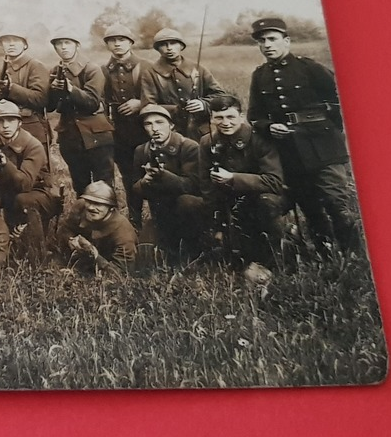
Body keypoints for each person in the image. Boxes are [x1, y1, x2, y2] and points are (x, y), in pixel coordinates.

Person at [246, 16, 360, 257]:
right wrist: (269, 127)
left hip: (323, 148)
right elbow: (255, 116)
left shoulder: (310, 68)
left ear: (286, 41)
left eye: (273, 39)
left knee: (336, 203)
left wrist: (331, 133)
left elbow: (342, 100)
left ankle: (353, 255)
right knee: (311, 207)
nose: (267, 45)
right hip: (289, 153)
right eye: (262, 41)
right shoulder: (260, 76)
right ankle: (324, 254)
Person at [198, 94, 287, 273]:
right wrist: (216, 224)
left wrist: (233, 178)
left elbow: (275, 181)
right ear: (212, 118)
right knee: (231, 256)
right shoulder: (207, 142)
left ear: (241, 116)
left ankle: (277, 257)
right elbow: (206, 185)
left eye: (231, 117)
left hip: (266, 196)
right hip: (230, 200)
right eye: (219, 118)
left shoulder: (259, 139)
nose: (225, 122)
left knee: (266, 204)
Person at [0, 101, 60, 263]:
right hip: (8, 190)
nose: (6, 125)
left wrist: (5, 164)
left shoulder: (32, 145)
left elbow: (25, 184)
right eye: (0, 121)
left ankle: (35, 255)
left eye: (11, 120)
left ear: (20, 123)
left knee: (23, 200)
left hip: (39, 193)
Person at [132, 104, 210, 262]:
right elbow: (135, 190)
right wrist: (144, 182)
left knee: (186, 202)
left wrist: (163, 176)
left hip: (191, 211)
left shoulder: (189, 147)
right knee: (145, 256)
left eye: (159, 122)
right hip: (161, 214)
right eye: (148, 124)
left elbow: (192, 186)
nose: (154, 128)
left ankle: (197, 247)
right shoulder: (142, 151)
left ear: (171, 125)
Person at [44, 26, 116, 194]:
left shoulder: (91, 69)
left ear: (77, 45)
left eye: (67, 43)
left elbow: (92, 102)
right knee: (79, 183)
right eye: (59, 44)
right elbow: (50, 107)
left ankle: (109, 218)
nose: (63, 47)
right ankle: (84, 216)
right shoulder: (55, 71)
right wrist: (53, 90)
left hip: (96, 134)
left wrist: (70, 89)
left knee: (104, 184)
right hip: (70, 136)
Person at [100, 25, 159, 227]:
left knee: (153, 173)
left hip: (146, 129)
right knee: (128, 176)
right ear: (107, 44)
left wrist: (140, 103)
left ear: (131, 43)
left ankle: (158, 219)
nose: (117, 43)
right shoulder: (104, 70)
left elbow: (160, 96)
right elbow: (103, 99)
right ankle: (134, 220)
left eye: (122, 39)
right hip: (120, 132)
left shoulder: (147, 66)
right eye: (112, 40)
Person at [148, 28, 228, 140]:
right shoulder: (151, 72)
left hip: (200, 132)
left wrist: (203, 104)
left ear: (181, 46)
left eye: (173, 43)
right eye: (163, 44)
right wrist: (176, 109)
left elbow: (221, 96)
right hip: (169, 132)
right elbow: (148, 105)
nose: (169, 48)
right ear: (157, 49)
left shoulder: (198, 69)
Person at [51, 181, 138, 273]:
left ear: (111, 208)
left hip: (106, 265)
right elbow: (66, 228)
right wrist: (70, 240)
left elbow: (121, 273)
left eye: (98, 204)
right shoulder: (81, 206)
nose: (91, 207)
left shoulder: (123, 233)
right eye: (89, 201)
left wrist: (94, 254)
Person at [0, 29, 52, 146]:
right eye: (7, 41)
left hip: (32, 130)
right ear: (2, 45)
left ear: (25, 45)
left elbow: (41, 99)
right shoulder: (1, 70)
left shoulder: (35, 66)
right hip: (7, 131)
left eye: (16, 40)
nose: (11, 44)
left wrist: (11, 88)